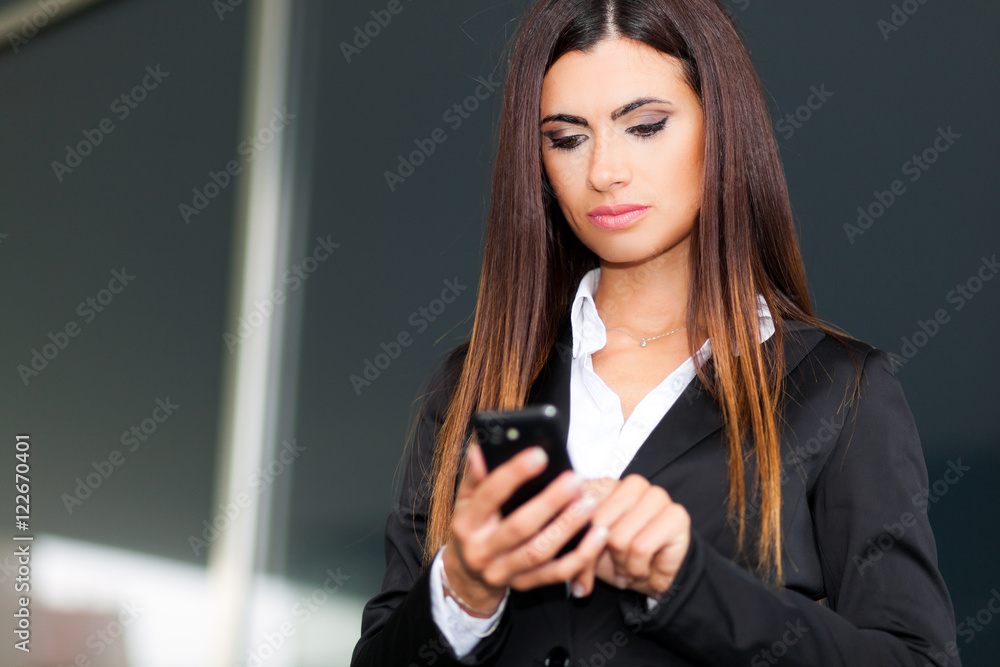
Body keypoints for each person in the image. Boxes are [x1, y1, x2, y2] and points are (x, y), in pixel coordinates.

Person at [351, 0, 961, 665]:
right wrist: (462, 590)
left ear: (721, 126)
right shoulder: (474, 386)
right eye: (567, 138)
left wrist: (691, 583)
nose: (603, 171)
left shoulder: (838, 391)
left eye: (644, 126)